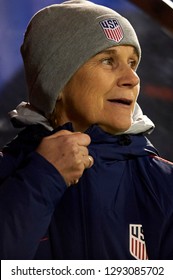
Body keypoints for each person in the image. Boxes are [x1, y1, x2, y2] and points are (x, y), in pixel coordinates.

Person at [0, 0, 173, 260]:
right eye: (107, 61)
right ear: (56, 81)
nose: (133, 78)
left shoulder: (164, 183)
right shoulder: (8, 174)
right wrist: (43, 178)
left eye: (132, 63)